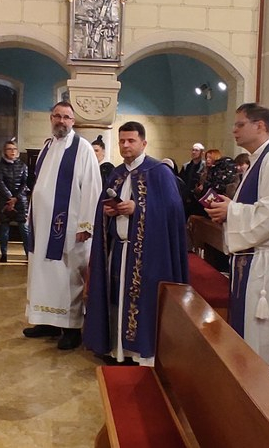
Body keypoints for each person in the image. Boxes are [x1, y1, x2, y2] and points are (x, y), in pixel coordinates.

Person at [206, 103, 269, 365]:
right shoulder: (258, 161)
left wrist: (232, 211)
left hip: (267, 264)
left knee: (264, 335)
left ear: (260, 126)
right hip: (254, 259)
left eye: (240, 124)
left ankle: (264, 384)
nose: (234, 130)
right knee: (250, 332)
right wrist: (228, 211)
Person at [84, 121, 188, 366]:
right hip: (118, 250)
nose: (125, 145)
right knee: (116, 299)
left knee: (140, 303)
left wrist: (139, 208)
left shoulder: (159, 172)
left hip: (148, 255)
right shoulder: (117, 173)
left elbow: (173, 211)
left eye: (131, 140)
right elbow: (103, 206)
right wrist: (108, 212)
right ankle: (116, 350)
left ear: (143, 143)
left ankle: (139, 352)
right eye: (122, 141)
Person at [23, 101, 101, 350]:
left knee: (68, 276)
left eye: (66, 117)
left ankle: (71, 328)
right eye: (57, 116)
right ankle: (46, 321)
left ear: (73, 121)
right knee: (42, 273)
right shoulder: (47, 146)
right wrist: (31, 216)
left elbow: (92, 187)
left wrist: (86, 224)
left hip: (69, 229)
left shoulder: (82, 148)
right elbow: (40, 186)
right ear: (51, 119)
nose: (61, 121)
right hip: (42, 227)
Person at [0, 140, 30, 263]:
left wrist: (16, 198)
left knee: (24, 229)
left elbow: (25, 183)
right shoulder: (0, 166)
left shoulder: (23, 165)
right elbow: (0, 183)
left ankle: (29, 254)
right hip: (5, 200)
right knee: (4, 228)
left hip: (20, 201)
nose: (12, 151)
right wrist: (10, 197)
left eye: (14, 149)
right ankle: (4, 254)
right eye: (9, 149)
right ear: (5, 151)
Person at [180, 143, 206, 216]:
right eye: (193, 150)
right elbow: (181, 181)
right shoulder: (186, 166)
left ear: (202, 153)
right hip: (187, 197)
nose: (194, 152)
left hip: (198, 198)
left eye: (196, 150)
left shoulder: (205, 166)